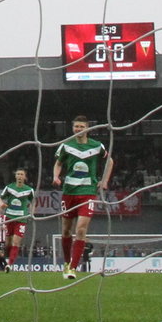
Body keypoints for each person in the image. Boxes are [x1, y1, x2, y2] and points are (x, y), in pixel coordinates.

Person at [52, 116, 114, 279]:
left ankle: (73, 267)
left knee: (80, 229)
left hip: (88, 192)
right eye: (76, 126)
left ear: (87, 129)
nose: (78, 129)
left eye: (81, 126)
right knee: (66, 230)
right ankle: (66, 262)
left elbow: (110, 161)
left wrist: (104, 181)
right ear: (73, 128)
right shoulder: (66, 146)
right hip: (69, 192)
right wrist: (56, 176)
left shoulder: (96, 146)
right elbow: (58, 163)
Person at [0, 168, 35, 271]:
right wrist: (1, 204)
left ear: (24, 177)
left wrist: (31, 213)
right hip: (9, 217)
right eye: (18, 174)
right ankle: (5, 260)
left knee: (16, 242)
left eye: (21, 174)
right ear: (15, 176)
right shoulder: (9, 188)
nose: (19, 176)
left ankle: (9, 264)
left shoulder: (29, 190)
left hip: (22, 219)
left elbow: (33, 202)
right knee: (8, 243)